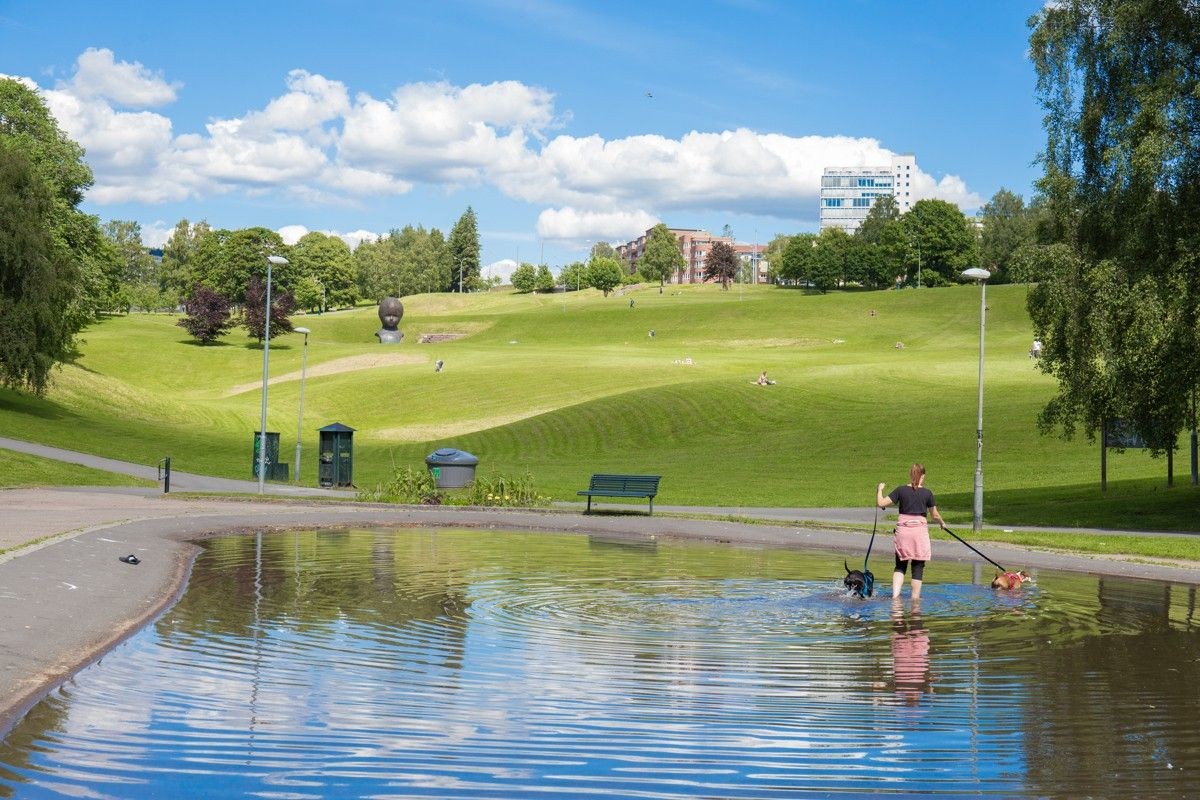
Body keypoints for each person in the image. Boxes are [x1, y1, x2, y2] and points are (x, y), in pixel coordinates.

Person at [876, 463, 945, 600]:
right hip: (919, 534)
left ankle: (895, 597)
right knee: (918, 568)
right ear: (922, 476)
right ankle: (915, 600)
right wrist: (942, 523)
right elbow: (935, 515)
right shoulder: (927, 493)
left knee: (900, 565)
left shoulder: (901, 490)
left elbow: (881, 503)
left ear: (910, 475)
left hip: (903, 532)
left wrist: (879, 490)